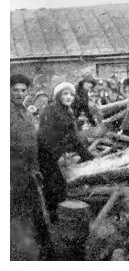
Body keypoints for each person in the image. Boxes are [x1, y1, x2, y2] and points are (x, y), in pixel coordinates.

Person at [10, 74, 55, 260]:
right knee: (17, 210)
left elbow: (32, 142)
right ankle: (20, 252)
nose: (19, 93)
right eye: (15, 90)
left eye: (23, 90)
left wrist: (35, 167)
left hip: (29, 169)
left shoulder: (26, 112)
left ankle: (35, 247)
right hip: (13, 169)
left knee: (30, 208)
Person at [38, 82, 94, 222]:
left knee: (59, 186)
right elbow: (46, 137)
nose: (69, 97)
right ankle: (52, 219)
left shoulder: (67, 111)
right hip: (46, 153)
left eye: (71, 94)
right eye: (65, 93)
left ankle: (56, 216)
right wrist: (56, 155)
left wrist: (89, 157)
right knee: (53, 186)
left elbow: (74, 139)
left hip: (53, 153)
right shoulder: (51, 111)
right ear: (58, 96)